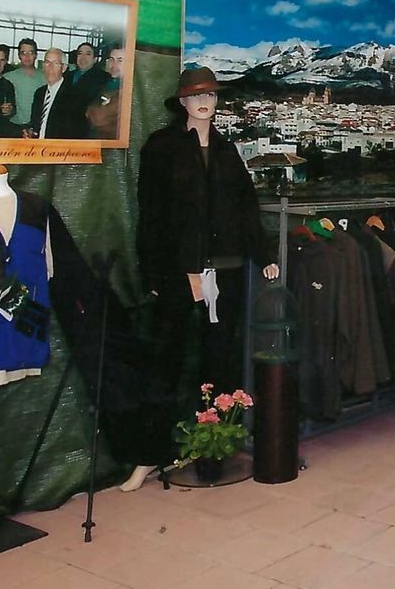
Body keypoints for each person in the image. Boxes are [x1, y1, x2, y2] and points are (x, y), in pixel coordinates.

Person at [121, 67, 280, 492]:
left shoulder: (228, 151)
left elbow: (247, 207)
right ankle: (149, 456)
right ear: (183, 103)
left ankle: (215, 451)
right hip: (177, 271)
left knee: (221, 363)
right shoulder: (161, 148)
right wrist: (154, 272)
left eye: (210, 94)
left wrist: (264, 254)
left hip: (225, 271)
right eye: (195, 96)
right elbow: (150, 214)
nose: (204, 102)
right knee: (166, 364)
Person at [24, 48, 88, 139]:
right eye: (47, 62)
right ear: (43, 66)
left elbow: (77, 133)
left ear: (64, 68)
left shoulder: (75, 96)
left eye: (56, 63)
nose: (50, 67)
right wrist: (31, 132)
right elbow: (36, 125)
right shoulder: (39, 93)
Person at [86, 43, 126, 139]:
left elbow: (97, 118)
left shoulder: (126, 89)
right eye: (112, 59)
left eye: (120, 60)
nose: (114, 65)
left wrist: (91, 111)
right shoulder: (107, 83)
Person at [7, 38, 46, 130]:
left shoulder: (46, 78)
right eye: (23, 53)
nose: (27, 56)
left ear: (36, 55)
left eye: (31, 52)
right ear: (19, 55)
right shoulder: (8, 77)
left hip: (38, 126)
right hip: (14, 126)